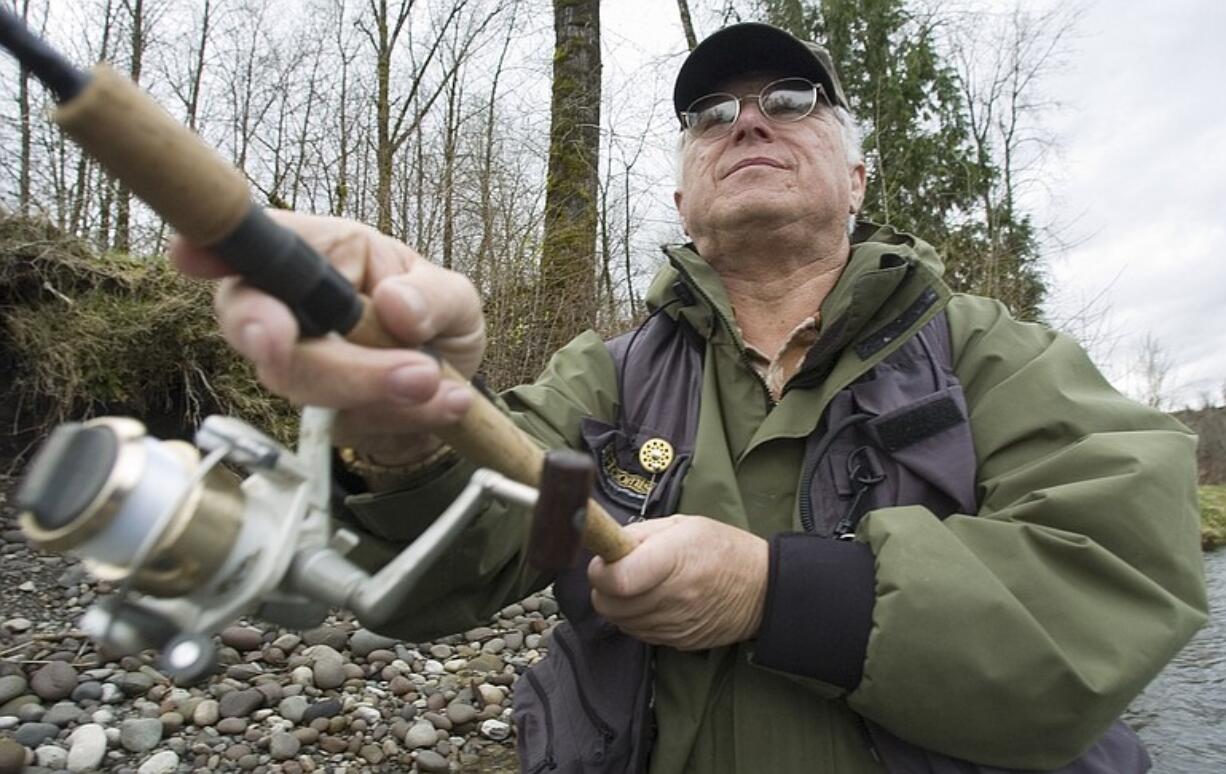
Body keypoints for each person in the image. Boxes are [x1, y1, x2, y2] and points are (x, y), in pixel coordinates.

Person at [173, 22, 1207, 774]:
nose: (745, 121)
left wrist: (772, 592)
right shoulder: (603, 375)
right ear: (680, 199)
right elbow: (425, 578)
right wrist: (400, 431)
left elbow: (1112, 587)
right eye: (709, 115)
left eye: (789, 102)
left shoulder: (1000, 357)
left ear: (855, 176)